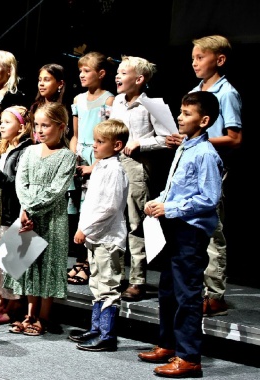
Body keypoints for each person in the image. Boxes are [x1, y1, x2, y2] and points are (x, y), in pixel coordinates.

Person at [138, 91, 222, 378]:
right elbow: (177, 189)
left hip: (191, 231)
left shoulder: (206, 153)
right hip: (174, 227)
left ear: (204, 120)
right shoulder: (185, 147)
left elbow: (209, 198)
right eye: (180, 112)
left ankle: (189, 357)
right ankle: (168, 343)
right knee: (168, 290)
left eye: (187, 114)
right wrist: (159, 200)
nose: (179, 117)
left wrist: (169, 207)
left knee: (187, 294)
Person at [166, 35, 242, 317]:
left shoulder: (227, 93)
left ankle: (215, 293)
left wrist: (201, 142)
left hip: (212, 169)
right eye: (193, 58)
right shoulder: (194, 92)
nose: (195, 63)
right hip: (191, 166)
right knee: (192, 234)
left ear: (219, 60)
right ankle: (197, 291)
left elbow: (234, 138)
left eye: (201, 57)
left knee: (213, 230)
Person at [110, 55, 177, 302]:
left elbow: (169, 138)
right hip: (114, 165)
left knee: (135, 224)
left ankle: (137, 279)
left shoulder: (154, 105)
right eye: (117, 72)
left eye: (123, 72)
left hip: (137, 167)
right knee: (113, 220)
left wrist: (141, 143)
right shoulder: (116, 101)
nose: (118, 76)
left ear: (139, 79)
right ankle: (115, 275)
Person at [7, 102, 76, 336]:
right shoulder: (29, 151)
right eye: (37, 125)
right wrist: (24, 209)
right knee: (27, 263)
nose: (40, 130)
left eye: (46, 125)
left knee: (48, 265)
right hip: (27, 214)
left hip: (52, 218)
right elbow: (21, 182)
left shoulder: (67, 157)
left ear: (61, 127)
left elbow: (56, 190)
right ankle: (29, 313)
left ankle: (44, 316)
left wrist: (31, 209)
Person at [69, 119, 129, 352]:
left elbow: (110, 207)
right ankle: (97, 329)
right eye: (94, 140)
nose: (94, 145)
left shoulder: (114, 169)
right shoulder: (102, 166)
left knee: (108, 287)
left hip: (107, 238)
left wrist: (86, 229)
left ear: (117, 145)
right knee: (97, 284)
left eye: (100, 142)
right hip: (97, 238)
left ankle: (107, 335)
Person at [67, 51, 115, 286]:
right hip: (80, 156)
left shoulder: (108, 100)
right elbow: (75, 134)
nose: (82, 75)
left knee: (91, 208)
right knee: (76, 208)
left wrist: (94, 165)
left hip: (98, 156)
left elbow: (107, 135)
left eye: (87, 71)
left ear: (101, 74)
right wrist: (74, 156)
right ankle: (79, 258)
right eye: (81, 71)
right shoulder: (77, 100)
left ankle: (88, 261)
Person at [0, 105, 34, 329]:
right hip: (2, 211)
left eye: (7, 122)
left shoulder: (25, 151)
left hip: (14, 211)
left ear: (22, 127)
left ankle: (13, 305)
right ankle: (1, 301)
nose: (1, 126)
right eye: (1, 122)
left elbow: (19, 184)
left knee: (12, 262)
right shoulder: (6, 148)